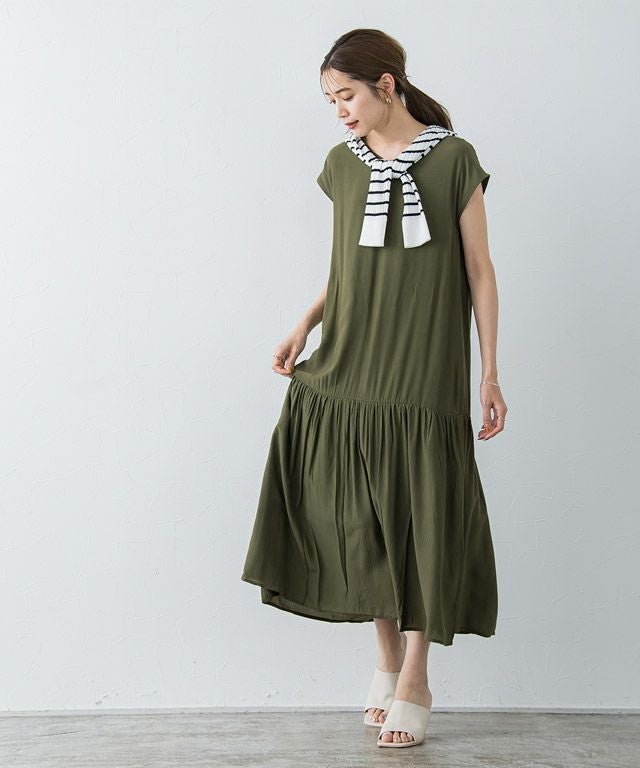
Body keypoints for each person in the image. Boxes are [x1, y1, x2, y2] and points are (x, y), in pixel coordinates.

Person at [241, 28, 508, 749]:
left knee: (421, 514)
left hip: (423, 367)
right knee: (359, 513)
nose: (340, 112)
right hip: (351, 358)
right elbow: (348, 268)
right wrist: (305, 324)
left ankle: (417, 677)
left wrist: (489, 372)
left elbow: (480, 272)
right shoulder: (342, 165)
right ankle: (387, 661)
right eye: (331, 101)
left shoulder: (454, 159)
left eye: (347, 96)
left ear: (386, 86)